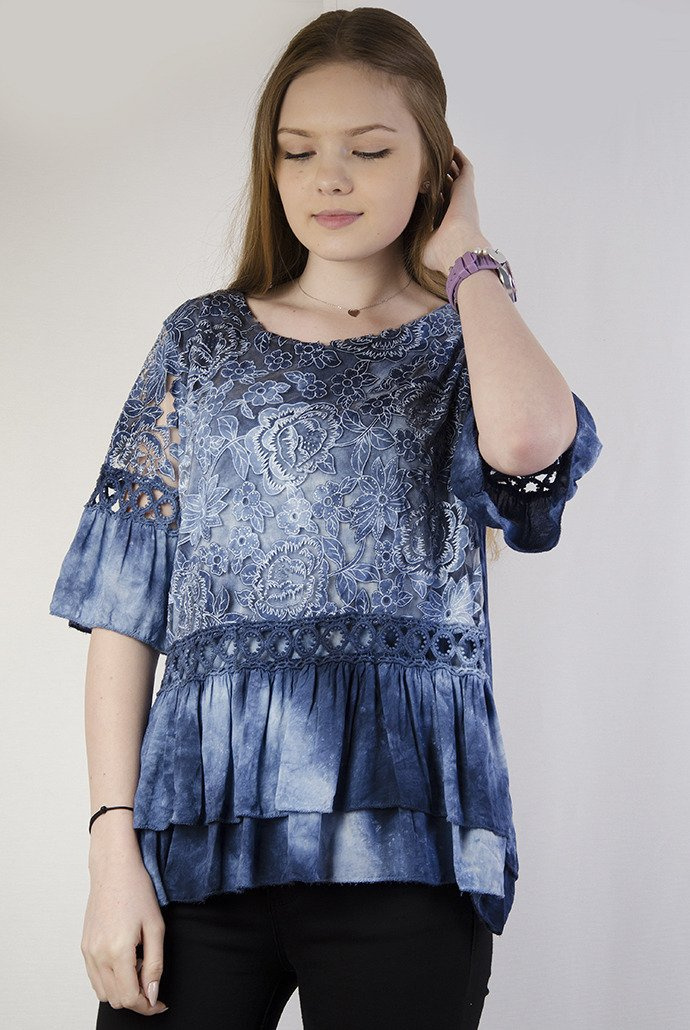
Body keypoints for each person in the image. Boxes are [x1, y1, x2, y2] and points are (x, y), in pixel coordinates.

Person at [49, 6, 602, 1028]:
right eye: (297, 150)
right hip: (197, 843)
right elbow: (125, 608)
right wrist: (110, 849)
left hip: (407, 844)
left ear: (435, 165)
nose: (328, 178)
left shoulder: (465, 346)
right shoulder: (201, 342)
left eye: (370, 149)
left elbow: (530, 448)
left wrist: (471, 259)